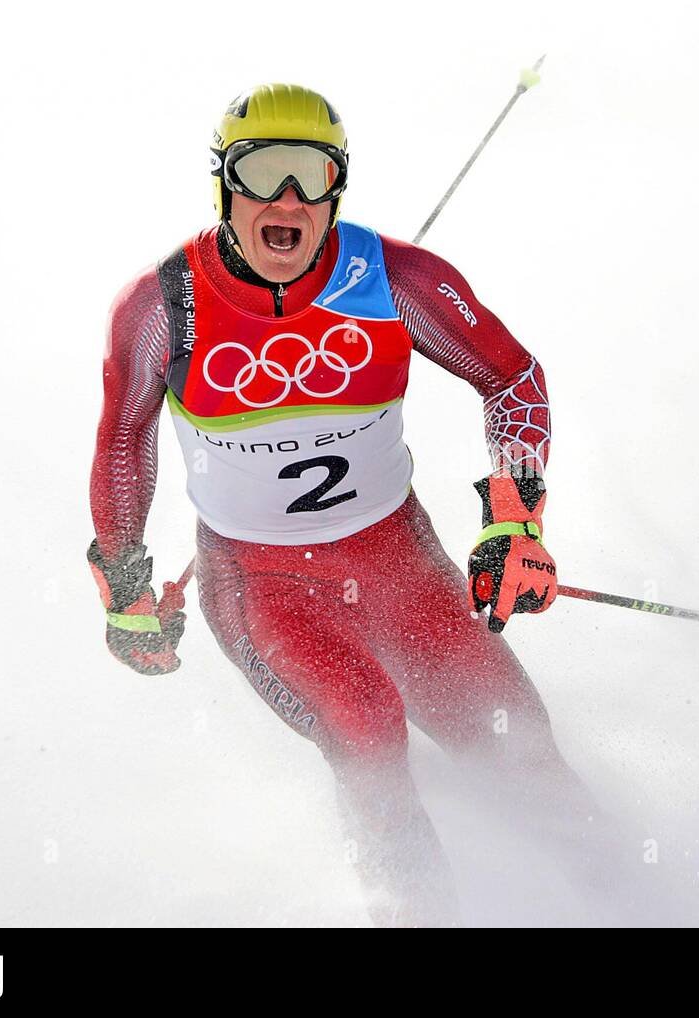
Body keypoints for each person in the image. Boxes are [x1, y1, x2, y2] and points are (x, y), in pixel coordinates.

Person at [87, 83, 603, 926]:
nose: (288, 200)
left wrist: (514, 521)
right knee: (367, 727)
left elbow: (510, 378)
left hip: (402, 564)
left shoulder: (395, 279)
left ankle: (635, 896)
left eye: (313, 176)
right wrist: (124, 580)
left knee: (515, 744)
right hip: (264, 591)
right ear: (226, 186)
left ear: (338, 188)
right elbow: (123, 440)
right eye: (265, 172)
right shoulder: (163, 307)